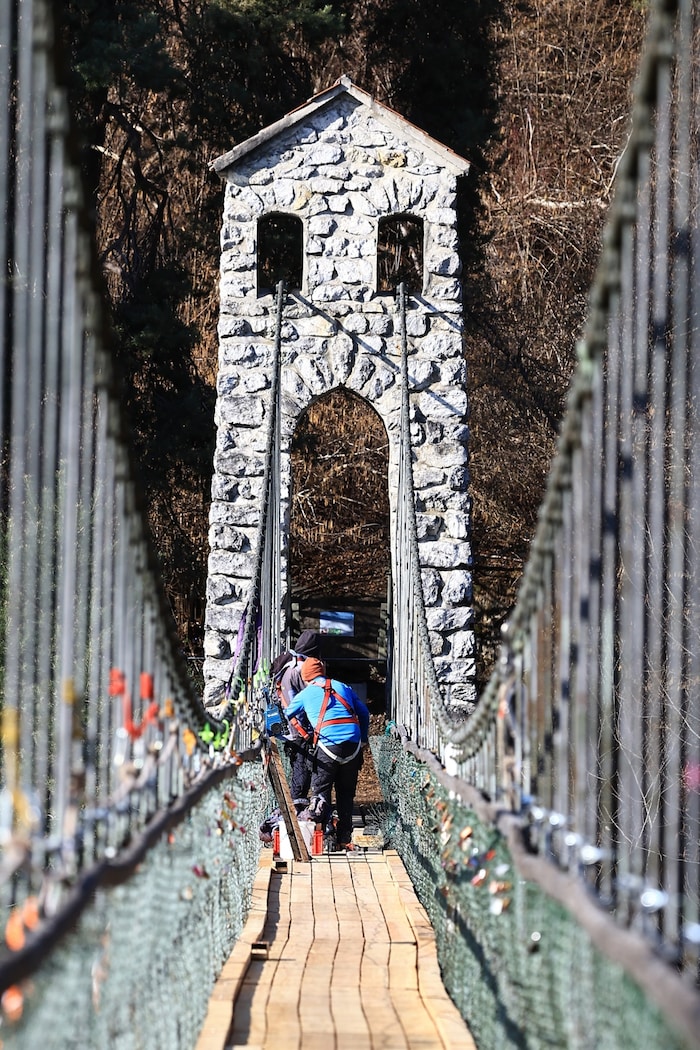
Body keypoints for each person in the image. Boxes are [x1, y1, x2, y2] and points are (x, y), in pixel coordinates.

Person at [284, 657, 369, 851]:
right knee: (346, 794)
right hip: (352, 746)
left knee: (321, 793)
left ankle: (321, 841)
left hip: (327, 746)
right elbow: (363, 713)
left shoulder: (305, 694)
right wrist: (363, 740)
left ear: (305, 677)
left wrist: (301, 732)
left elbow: (286, 715)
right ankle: (344, 839)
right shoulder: (343, 687)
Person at [270, 631, 324, 800]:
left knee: (298, 767)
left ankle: (296, 806)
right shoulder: (301, 670)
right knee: (302, 770)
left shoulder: (288, 667)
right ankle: (297, 808)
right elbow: (312, 697)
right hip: (301, 729)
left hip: (291, 727)